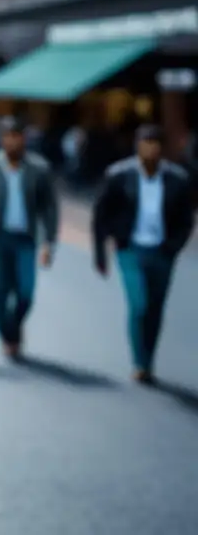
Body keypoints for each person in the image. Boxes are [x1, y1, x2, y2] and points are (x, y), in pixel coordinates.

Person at [91, 125, 194, 383]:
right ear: (137, 145)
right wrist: (100, 254)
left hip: (162, 251)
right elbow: (101, 216)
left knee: (155, 309)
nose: (150, 149)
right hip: (130, 249)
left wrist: (173, 247)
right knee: (139, 304)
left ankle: (149, 360)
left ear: (162, 148)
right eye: (145, 143)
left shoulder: (177, 179)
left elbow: (186, 219)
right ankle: (139, 361)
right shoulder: (119, 175)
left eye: (155, 144)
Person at [0, 116, 59, 359]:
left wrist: (49, 242)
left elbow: (49, 208)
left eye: (17, 137)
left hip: (25, 238)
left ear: (24, 139)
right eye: (8, 136)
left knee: (25, 291)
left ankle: (14, 325)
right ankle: (8, 336)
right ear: (1, 139)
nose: (12, 142)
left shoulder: (39, 169)